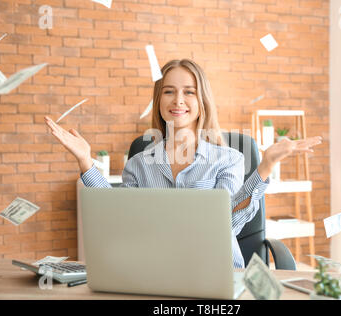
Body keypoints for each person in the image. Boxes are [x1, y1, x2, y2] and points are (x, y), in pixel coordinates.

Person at [44, 59, 322, 268]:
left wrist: (265, 166)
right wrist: (85, 162)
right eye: (169, 92)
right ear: (159, 100)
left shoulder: (229, 159)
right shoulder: (139, 164)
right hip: (155, 272)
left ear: (202, 101)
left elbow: (228, 221)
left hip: (215, 271)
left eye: (189, 92)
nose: (178, 100)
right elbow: (120, 220)